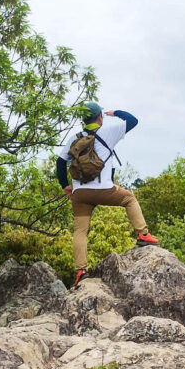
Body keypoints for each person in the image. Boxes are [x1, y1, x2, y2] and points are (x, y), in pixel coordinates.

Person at [56, 101, 159, 289]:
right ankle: (143, 234)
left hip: (80, 194)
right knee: (129, 199)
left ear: (83, 120)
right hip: (104, 189)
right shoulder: (108, 132)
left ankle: (81, 271)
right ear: (99, 117)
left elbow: (60, 163)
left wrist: (65, 186)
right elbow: (132, 120)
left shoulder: (74, 138)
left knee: (80, 231)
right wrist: (115, 112)